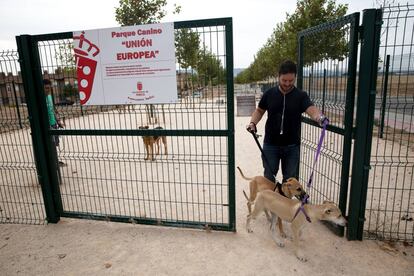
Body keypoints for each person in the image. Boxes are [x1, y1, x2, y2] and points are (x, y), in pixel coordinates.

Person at [246, 60, 327, 183]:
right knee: (268, 178)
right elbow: (259, 111)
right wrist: (253, 123)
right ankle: (270, 202)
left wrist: (320, 118)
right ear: (278, 76)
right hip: (270, 144)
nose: (288, 84)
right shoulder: (269, 94)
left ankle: (285, 202)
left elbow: (311, 109)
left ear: (295, 77)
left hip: (292, 146)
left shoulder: (301, 96)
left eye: (291, 81)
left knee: (289, 181)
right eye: (284, 80)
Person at [44, 79, 65, 167]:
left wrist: (58, 120)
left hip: (53, 123)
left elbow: (53, 109)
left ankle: (55, 160)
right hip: (46, 125)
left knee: (55, 143)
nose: (48, 90)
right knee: (50, 144)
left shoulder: (49, 97)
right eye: (46, 88)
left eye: (49, 88)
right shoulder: (41, 99)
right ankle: (52, 163)